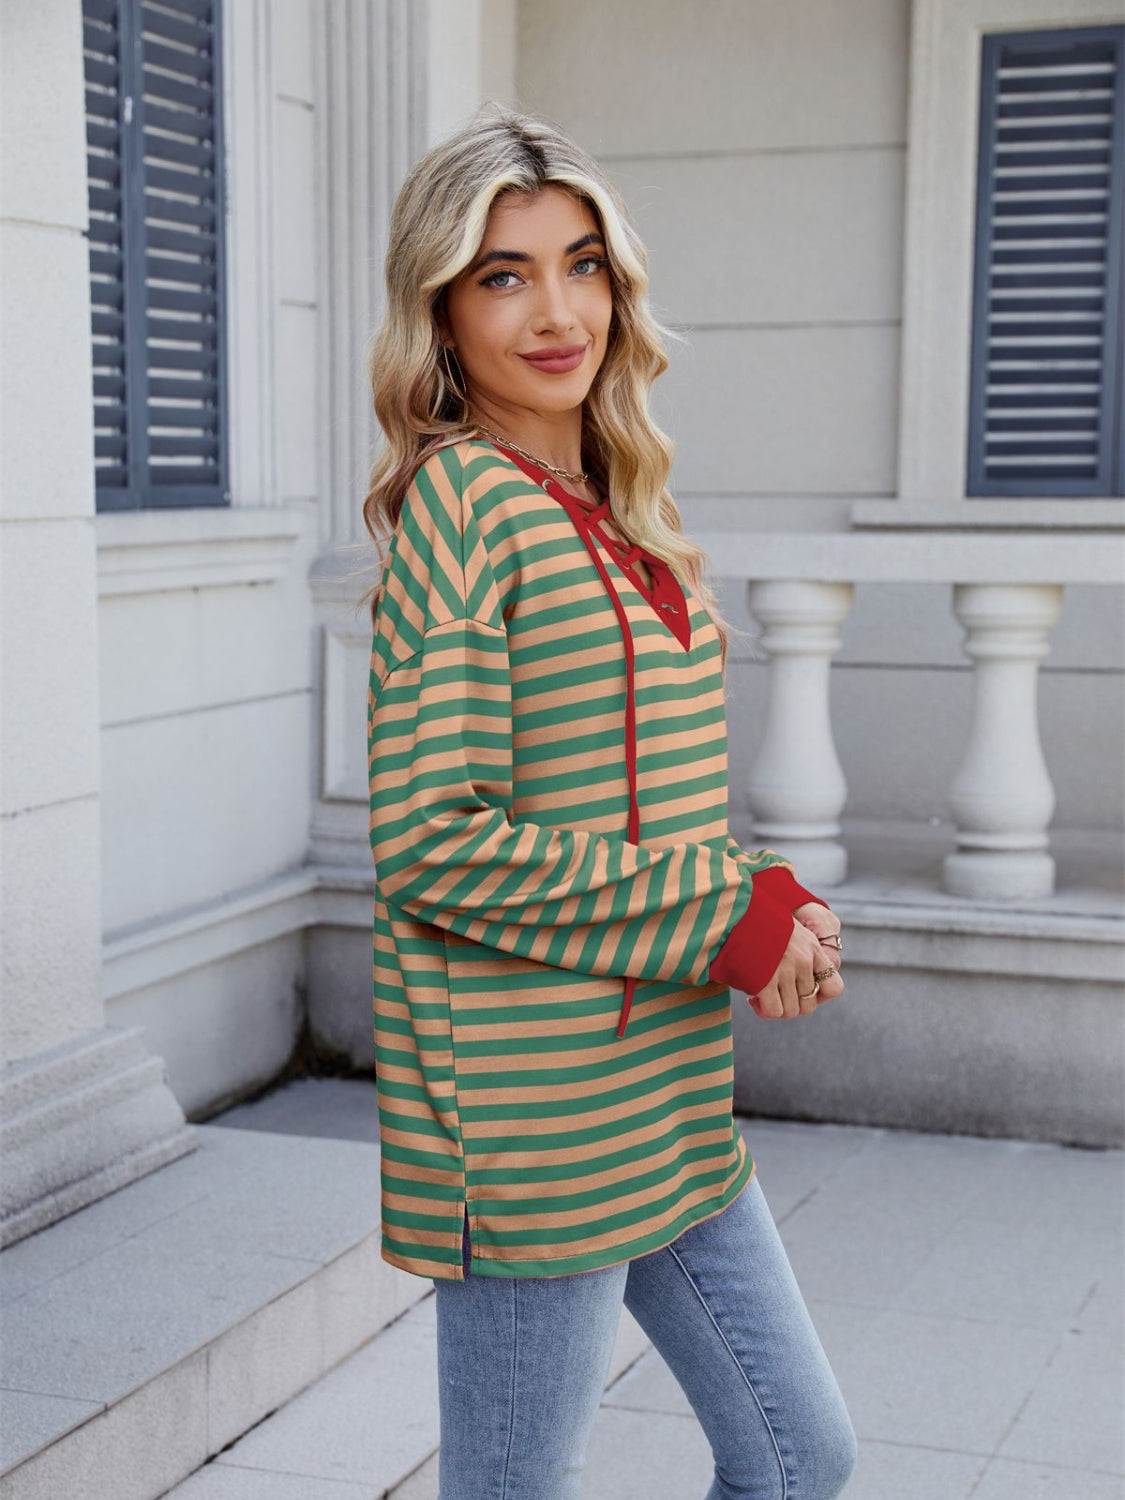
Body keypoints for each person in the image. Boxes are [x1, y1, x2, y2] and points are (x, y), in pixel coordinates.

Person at [362, 101, 856, 1500]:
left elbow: (642, 799)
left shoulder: (624, 509)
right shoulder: (464, 507)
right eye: (501, 276)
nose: (555, 310)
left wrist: (769, 900)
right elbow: (432, 842)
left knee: (798, 1456)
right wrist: (726, 912)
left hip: (670, 1095)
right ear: (440, 313)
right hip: (536, 1116)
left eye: (581, 265)